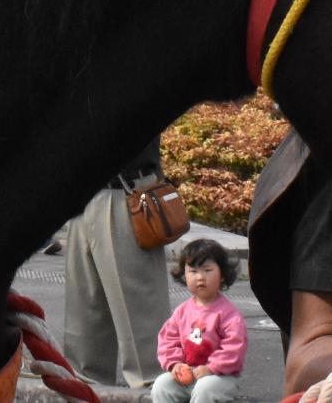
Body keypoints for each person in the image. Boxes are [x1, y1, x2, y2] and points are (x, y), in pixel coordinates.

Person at [62, 144, 173, 387]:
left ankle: (159, 394)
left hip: (126, 191)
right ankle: (85, 391)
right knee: (84, 336)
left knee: (144, 343)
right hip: (83, 194)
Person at [151, 238, 247, 402]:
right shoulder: (182, 311)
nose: (200, 277)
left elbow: (234, 348)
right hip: (187, 374)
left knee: (205, 390)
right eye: (193, 272)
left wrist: (211, 368)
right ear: (184, 275)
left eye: (207, 270)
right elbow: (168, 339)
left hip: (221, 377)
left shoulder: (229, 314)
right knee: (161, 385)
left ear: (222, 275)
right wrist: (175, 364)